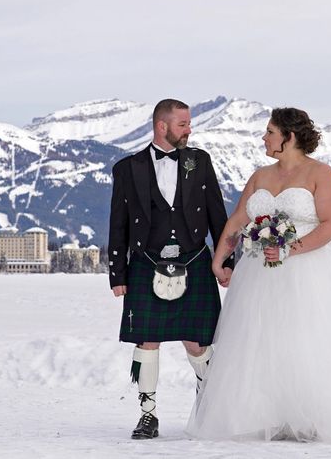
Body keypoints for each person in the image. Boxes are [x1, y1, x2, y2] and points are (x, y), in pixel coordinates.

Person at [186, 107, 331, 444]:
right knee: (260, 339)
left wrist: (291, 249)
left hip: (312, 269)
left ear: (289, 137)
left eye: (270, 132)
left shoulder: (320, 174)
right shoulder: (259, 176)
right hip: (259, 271)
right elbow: (236, 221)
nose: (263, 138)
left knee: (308, 337)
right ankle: (268, 414)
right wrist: (219, 258)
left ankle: (314, 415)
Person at [107, 98, 234, 440]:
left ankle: (209, 406)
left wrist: (225, 261)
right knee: (146, 341)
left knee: (198, 342)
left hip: (194, 261)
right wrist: (117, 273)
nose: (189, 130)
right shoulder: (127, 168)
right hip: (146, 264)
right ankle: (148, 415)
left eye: (189, 124)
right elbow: (117, 224)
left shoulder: (199, 161)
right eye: (183, 124)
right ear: (162, 126)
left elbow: (217, 215)